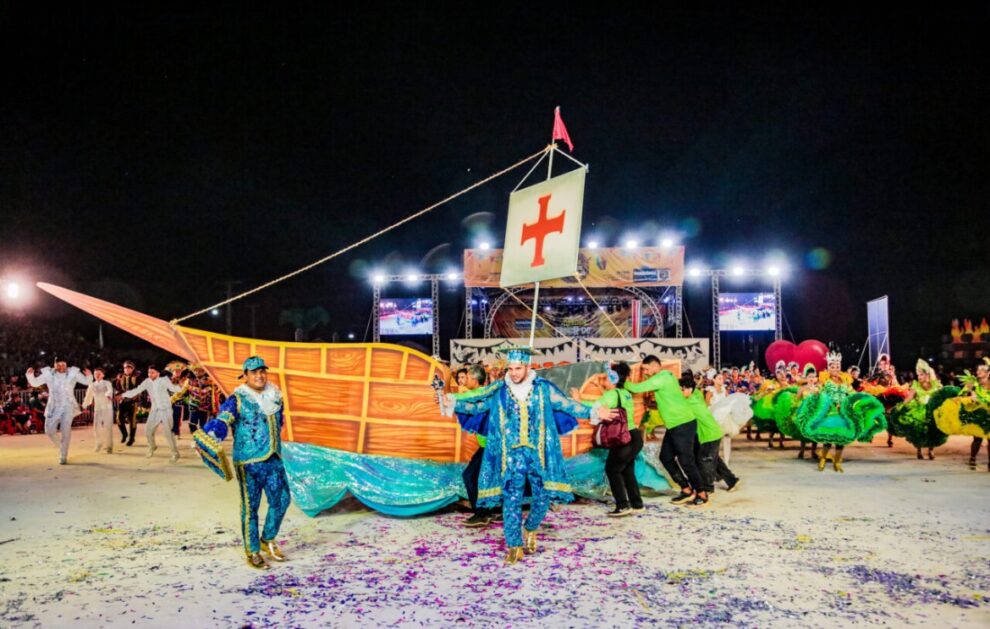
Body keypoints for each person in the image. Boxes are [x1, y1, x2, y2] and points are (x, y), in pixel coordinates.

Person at [440, 346, 616, 564]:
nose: (514, 373)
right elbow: (478, 407)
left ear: (527, 367)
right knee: (511, 499)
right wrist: (454, 403)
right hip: (511, 456)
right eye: (511, 368)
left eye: (518, 368)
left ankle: (531, 527)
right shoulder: (500, 391)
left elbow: (568, 405)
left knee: (542, 498)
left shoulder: (543, 389)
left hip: (537, 454)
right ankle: (514, 545)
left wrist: (593, 411)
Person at [201, 356, 292, 569]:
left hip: (273, 458)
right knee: (251, 507)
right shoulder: (237, 399)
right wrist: (213, 434)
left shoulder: (275, 396)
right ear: (245, 375)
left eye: (262, 371)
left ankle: (267, 538)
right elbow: (223, 419)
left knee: (282, 499)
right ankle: (252, 551)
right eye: (254, 372)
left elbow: (279, 422)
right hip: (249, 462)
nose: (259, 376)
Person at [625, 356, 708, 507]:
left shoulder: (662, 378)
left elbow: (636, 388)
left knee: (686, 461)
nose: (645, 372)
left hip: (683, 423)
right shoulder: (666, 376)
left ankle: (702, 493)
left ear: (655, 366)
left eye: (646, 369)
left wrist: (620, 379)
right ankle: (686, 489)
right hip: (674, 425)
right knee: (666, 457)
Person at [587, 362, 644, 517]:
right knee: (627, 471)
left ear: (613, 379)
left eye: (606, 378)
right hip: (634, 437)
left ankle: (623, 505)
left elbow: (595, 408)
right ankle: (637, 504)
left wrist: (578, 399)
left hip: (622, 439)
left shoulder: (611, 395)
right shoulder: (625, 393)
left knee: (612, 470)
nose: (604, 380)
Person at [25, 359, 93, 464]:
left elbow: (86, 382)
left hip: (68, 406)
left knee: (65, 430)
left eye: (63, 364)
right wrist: (30, 375)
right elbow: (35, 383)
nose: (61, 367)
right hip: (53, 406)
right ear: (54, 364)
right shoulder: (48, 374)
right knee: (49, 430)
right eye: (58, 364)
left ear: (66, 365)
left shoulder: (73, 373)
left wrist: (89, 376)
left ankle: (63, 455)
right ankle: (62, 447)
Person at [682, 373, 740, 496]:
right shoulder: (697, 395)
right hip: (711, 430)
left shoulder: (690, 402)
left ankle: (708, 487)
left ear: (689, 389)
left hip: (709, 433)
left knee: (705, 461)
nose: (680, 392)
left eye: (682, 389)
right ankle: (732, 480)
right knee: (714, 459)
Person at [457, 364, 498, 527]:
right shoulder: (484, 392)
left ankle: (481, 514)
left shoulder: (477, 394)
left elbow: (455, 399)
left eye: (466, 377)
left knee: (469, 476)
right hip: (489, 445)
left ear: (474, 380)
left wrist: (445, 394)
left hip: (490, 446)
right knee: (485, 478)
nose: (463, 380)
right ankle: (488, 511)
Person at [120, 365, 183, 462]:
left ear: (158, 373)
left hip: (165, 409)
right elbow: (136, 390)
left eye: (152, 372)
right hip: (155, 409)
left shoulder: (164, 380)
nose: (150, 374)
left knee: (168, 433)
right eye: (149, 372)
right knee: (148, 431)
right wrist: (123, 395)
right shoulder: (147, 382)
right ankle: (152, 446)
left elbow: (173, 389)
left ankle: (175, 453)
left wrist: (180, 385)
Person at [83, 367, 115, 454]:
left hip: (107, 407)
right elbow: (88, 395)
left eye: (99, 374)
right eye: (95, 374)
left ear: (103, 375)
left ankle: (109, 446)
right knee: (96, 427)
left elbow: (110, 390)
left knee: (108, 427)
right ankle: (99, 443)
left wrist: (108, 395)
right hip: (98, 408)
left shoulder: (107, 383)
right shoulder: (92, 384)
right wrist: (85, 404)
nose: (97, 375)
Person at [114, 361, 141, 446]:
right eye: (125, 367)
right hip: (123, 400)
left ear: (133, 368)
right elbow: (117, 388)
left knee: (132, 420)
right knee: (118, 418)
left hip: (132, 401)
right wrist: (117, 395)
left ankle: (131, 438)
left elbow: (140, 388)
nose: (127, 369)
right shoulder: (120, 377)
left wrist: (135, 395)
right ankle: (124, 434)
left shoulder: (137, 377)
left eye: (129, 367)